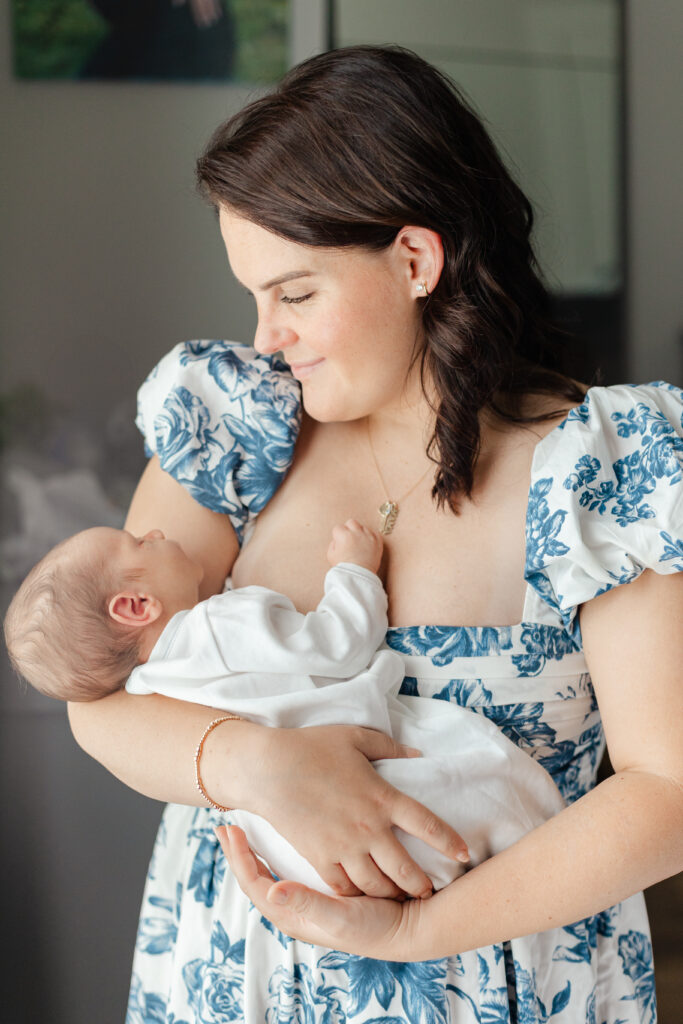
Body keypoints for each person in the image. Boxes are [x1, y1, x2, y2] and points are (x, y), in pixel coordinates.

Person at [65, 45, 683, 1024]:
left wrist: (408, 936)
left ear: (413, 259)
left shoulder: (603, 469)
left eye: (294, 293)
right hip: (237, 982)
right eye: (253, 295)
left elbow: (666, 792)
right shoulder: (232, 426)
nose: (266, 336)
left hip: (502, 982)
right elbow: (93, 696)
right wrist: (253, 761)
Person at [5, 516, 566, 897]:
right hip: (379, 779)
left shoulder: (149, 691)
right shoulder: (219, 624)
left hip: (291, 852)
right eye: (139, 544)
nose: (155, 531)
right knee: (489, 770)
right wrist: (354, 570)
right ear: (134, 605)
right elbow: (338, 646)